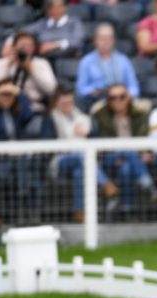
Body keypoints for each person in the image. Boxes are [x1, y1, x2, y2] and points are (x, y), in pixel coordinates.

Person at [91, 84, 157, 215]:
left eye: (121, 97)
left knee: (126, 168)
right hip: (109, 158)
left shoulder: (140, 115)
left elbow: (143, 140)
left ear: (128, 98)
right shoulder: (101, 116)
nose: (118, 101)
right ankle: (148, 186)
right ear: (108, 100)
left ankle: (126, 209)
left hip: (134, 157)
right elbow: (102, 144)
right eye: (113, 98)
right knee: (128, 152)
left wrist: (143, 153)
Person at [46, 86, 107, 223]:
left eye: (70, 102)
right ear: (56, 103)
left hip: (82, 162)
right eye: (64, 103)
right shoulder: (50, 119)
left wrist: (87, 134)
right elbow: (47, 145)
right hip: (59, 163)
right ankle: (105, 184)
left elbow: (97, 141)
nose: (68, 106)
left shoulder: (83, 118)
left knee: (80, 172)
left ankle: (80, 212)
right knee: (81, 154)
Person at [0, 81, 44, 219]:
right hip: (2, 159)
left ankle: (25, 207)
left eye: (10, 95)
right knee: (23, 167)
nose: (6, 98)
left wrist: (19, 93)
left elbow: (30, 115)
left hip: (20, 158)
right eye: (3, 95)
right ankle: (24, 206)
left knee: (26, 164)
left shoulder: (18, 112)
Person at [0, 32, 58, 115]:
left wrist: (32, 70)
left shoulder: (41, 64)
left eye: (30, 46)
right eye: (22, 45)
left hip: (33, 107)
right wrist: (8, 66)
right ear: (14, 46)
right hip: (5, 106)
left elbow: (52, 90)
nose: (26, 49)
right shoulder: (1, 63)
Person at [76, 24, 140, 110]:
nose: (106, 42)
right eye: (102, 38)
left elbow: (134, 87)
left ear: (113, 40)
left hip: (121, 99)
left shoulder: (124, 61)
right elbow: (81, 89)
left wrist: (126, 94)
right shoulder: (86, 62)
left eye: (109, 38)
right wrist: (93, 91)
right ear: (95, 40)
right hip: (97, 100)